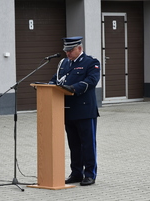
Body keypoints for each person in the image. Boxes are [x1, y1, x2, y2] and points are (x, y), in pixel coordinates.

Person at [49, 36, 100, 186]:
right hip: (67, 110)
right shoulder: (63, 63)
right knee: (74, 145)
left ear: (79, 48)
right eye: (66, 51)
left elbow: (91, 81)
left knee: (88, 144)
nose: (67, 54)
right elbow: (55, 79)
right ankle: (76, 173)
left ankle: (90, 174)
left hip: (84, 110)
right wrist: (48, 86)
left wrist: (73, 88)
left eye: (70, 50)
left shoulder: (91, 62)